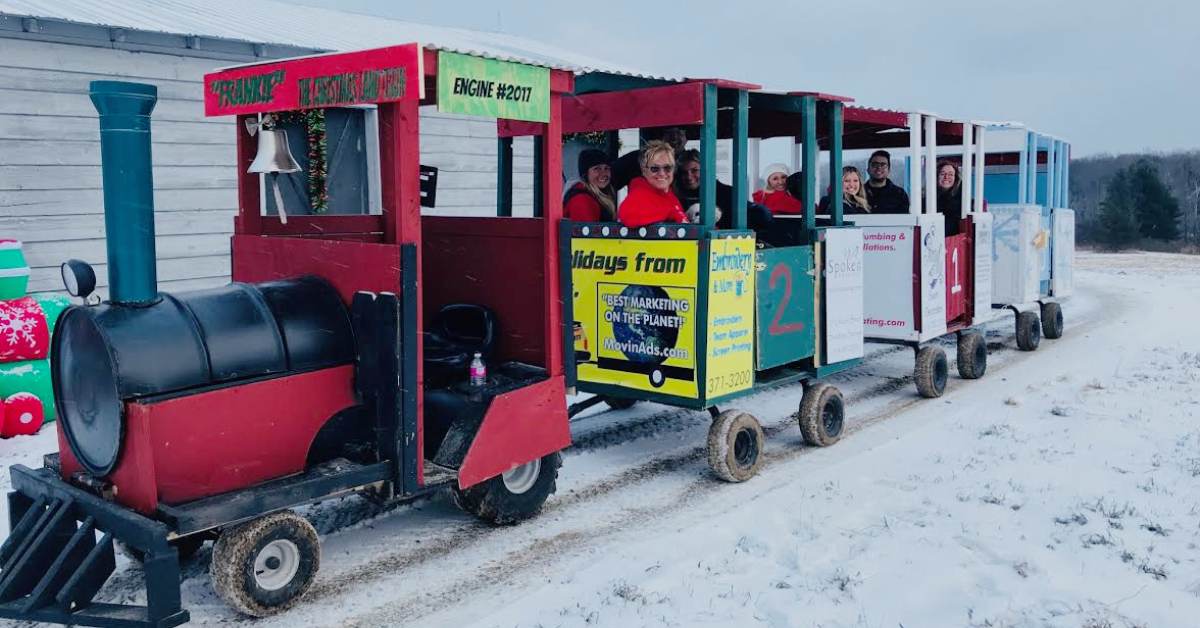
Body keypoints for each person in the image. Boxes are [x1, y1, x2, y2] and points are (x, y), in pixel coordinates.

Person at [617, 140, 688, 228]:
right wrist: (670, 212)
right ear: (644, 171)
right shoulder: (639, 193)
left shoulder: (669, 195)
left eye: (667, 168)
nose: (662, 173)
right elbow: (627, 216)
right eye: (654, 168)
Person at [612, 127, 688, 190]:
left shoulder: (692, 161)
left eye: (679, 132)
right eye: (669, 132)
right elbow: (610, 177)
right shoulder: (636, 159)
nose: (674, 137)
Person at [563, 149, 617, 222]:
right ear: (585, 174)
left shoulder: (598, 194)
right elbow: (587, 231)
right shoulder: (581, 199)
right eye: (597, 169)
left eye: (606, 168)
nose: (603, 173)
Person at [935, 160, 965, 236]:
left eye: (950, 174)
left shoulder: (963, 199)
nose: (946, 177)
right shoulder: (926, 199)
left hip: (954, 242)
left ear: (956, 178)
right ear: (936, 176)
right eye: (942, 174)